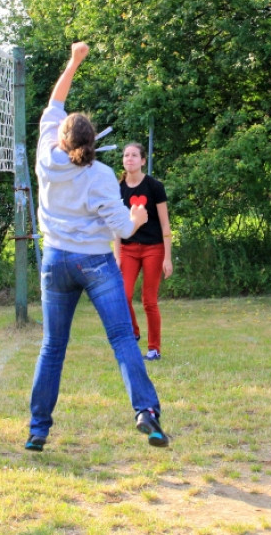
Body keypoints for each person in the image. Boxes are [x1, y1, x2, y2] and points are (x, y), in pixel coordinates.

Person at [26, 41, 169, 452]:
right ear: (93, 142)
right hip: (95, 263)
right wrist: (139, 219)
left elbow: (56, 100)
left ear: (60, 137)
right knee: (123, 338)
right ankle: (146, 412)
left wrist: (74, 61)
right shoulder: (104, 175)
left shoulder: (45, 157)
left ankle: (38, 430)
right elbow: (124, 231)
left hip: (56, 261)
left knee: (52, 347)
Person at [114, 142, 173, 361]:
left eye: (134, 155)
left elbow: (165, 225)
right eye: (126, 155)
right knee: (124, 295)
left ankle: (154, 348)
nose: (129, 158)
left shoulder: (154, 187)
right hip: (129, 249)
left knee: (149, 300)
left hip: (153, 249)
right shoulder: (118, 189)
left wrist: (167, 257)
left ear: (142, 160)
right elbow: (117, 225)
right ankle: (134, 331)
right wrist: (117, 255)